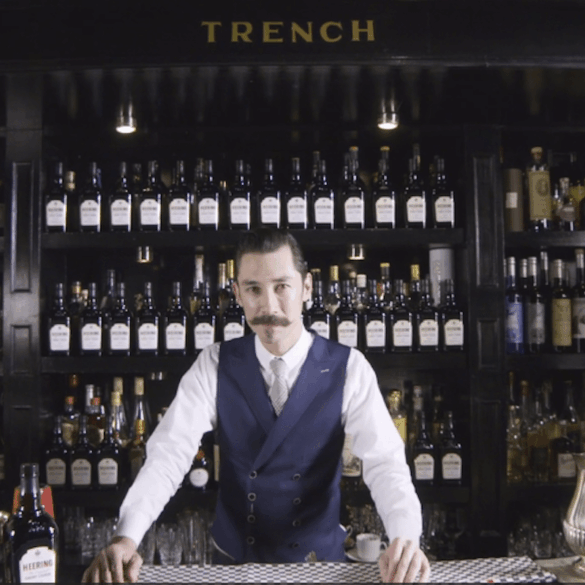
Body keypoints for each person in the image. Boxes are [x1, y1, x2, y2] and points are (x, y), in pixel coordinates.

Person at [82, 228, 430, 583]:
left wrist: (405, 537)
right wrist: (127, 537)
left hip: (320, 569)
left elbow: (385, 462)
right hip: (234, 567)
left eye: (281, 286)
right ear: (237, 293)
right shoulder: (214, 365)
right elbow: (168, 455)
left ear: (306, 288)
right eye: (253, 289)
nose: (268, 307)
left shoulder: (349, 368)